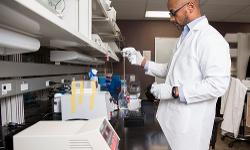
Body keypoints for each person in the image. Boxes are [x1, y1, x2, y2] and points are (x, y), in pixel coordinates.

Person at [122, 0, 231, 149]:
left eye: (173, 13)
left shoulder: (211, 39)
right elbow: (171, 69)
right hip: (169, 122)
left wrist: (174, 91)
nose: (171, 18)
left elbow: (217, 85)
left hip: (188, 129)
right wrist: (141, 61)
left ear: (190, 7)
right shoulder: (185, 37)